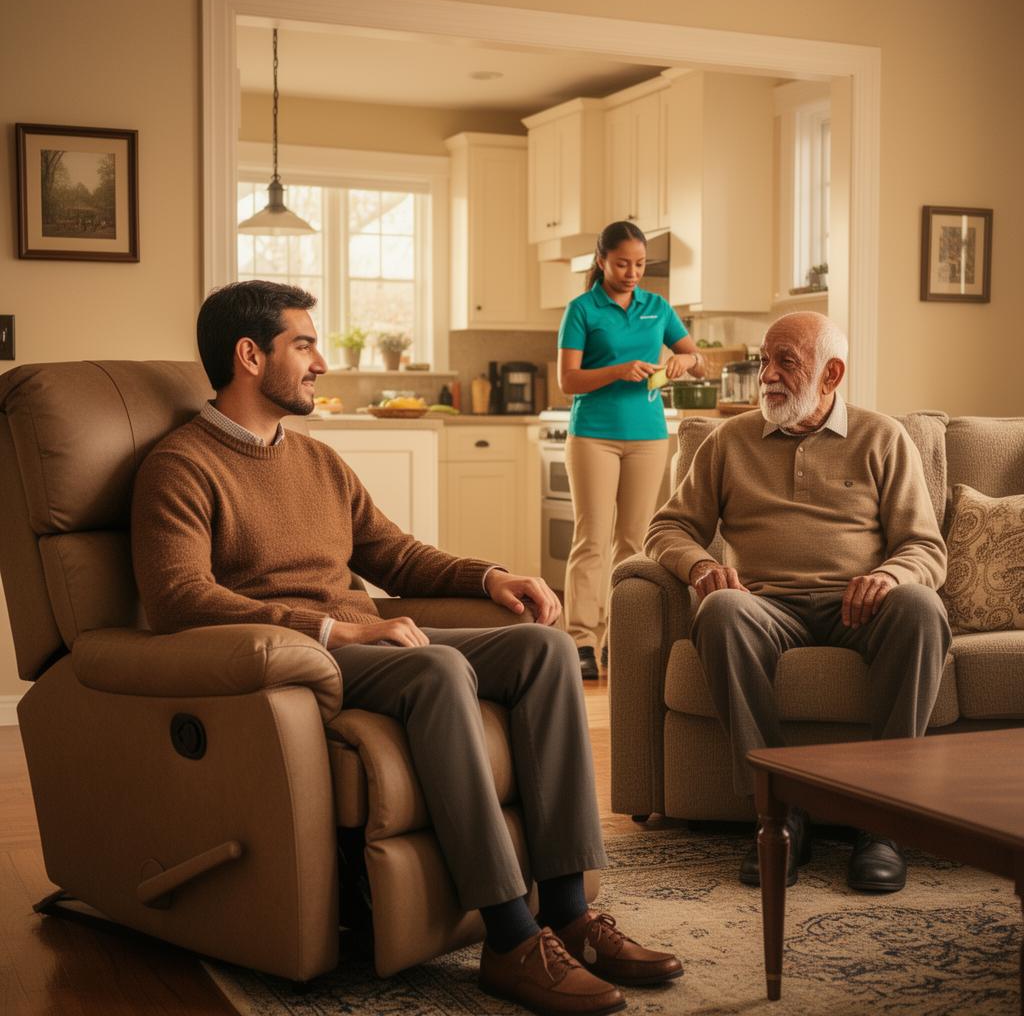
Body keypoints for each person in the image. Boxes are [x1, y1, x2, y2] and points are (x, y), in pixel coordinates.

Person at [131, 280, 682, 1016]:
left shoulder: (318, 462)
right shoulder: (181, 466)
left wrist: (491, 577)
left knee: (543, 650)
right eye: (304, 344)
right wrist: (337, 630)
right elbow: (177, 597)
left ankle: (568, 911)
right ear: (249, 356)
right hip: (297, 658)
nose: (321, 361)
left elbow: (396, 555)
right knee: (437, 665)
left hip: (358, 640)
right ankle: (511, 936)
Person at [644, 311, 951, 893]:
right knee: (720, 611)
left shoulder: (882, 437)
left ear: (832, 374)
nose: (768, 375)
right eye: (765, 360)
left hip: (861, 606)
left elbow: (924, 548)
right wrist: (704, 566)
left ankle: (881, 821)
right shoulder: (726, 442)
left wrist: (889, 577)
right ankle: (780, 814)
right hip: (767, 606)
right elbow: (667, 529)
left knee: (920, 608)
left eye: (787, 362)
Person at [558, 221, 704, 680]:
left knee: (636, 540)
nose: (632, 272)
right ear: (602, 261)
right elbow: (568, 381)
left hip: (648, 436)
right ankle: (582, 640)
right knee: (592, 537)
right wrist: (617, 370)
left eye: (640, 264)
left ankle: (623, 636)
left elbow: (698, 362)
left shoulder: (657, 307)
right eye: (623, 263)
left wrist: (684, 361)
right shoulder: (581, 309)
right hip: (593, 436)